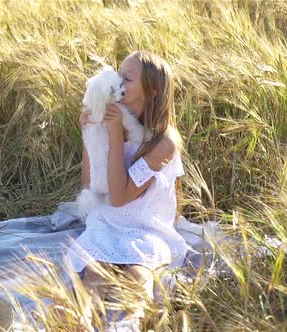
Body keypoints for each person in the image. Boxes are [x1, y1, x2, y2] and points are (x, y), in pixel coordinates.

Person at [67, 50, 189, 328]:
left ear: (151, 91)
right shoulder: (115, 122)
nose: (117, 82)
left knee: (138, 278)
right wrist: (89, 134)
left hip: (145, 230)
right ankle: (78, 324)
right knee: (94, 278)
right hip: (108, 223)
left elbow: (120, 196)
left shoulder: (163, 144)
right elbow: (91, 186)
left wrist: (111, 132)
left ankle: (127, 325)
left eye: (127, 78)